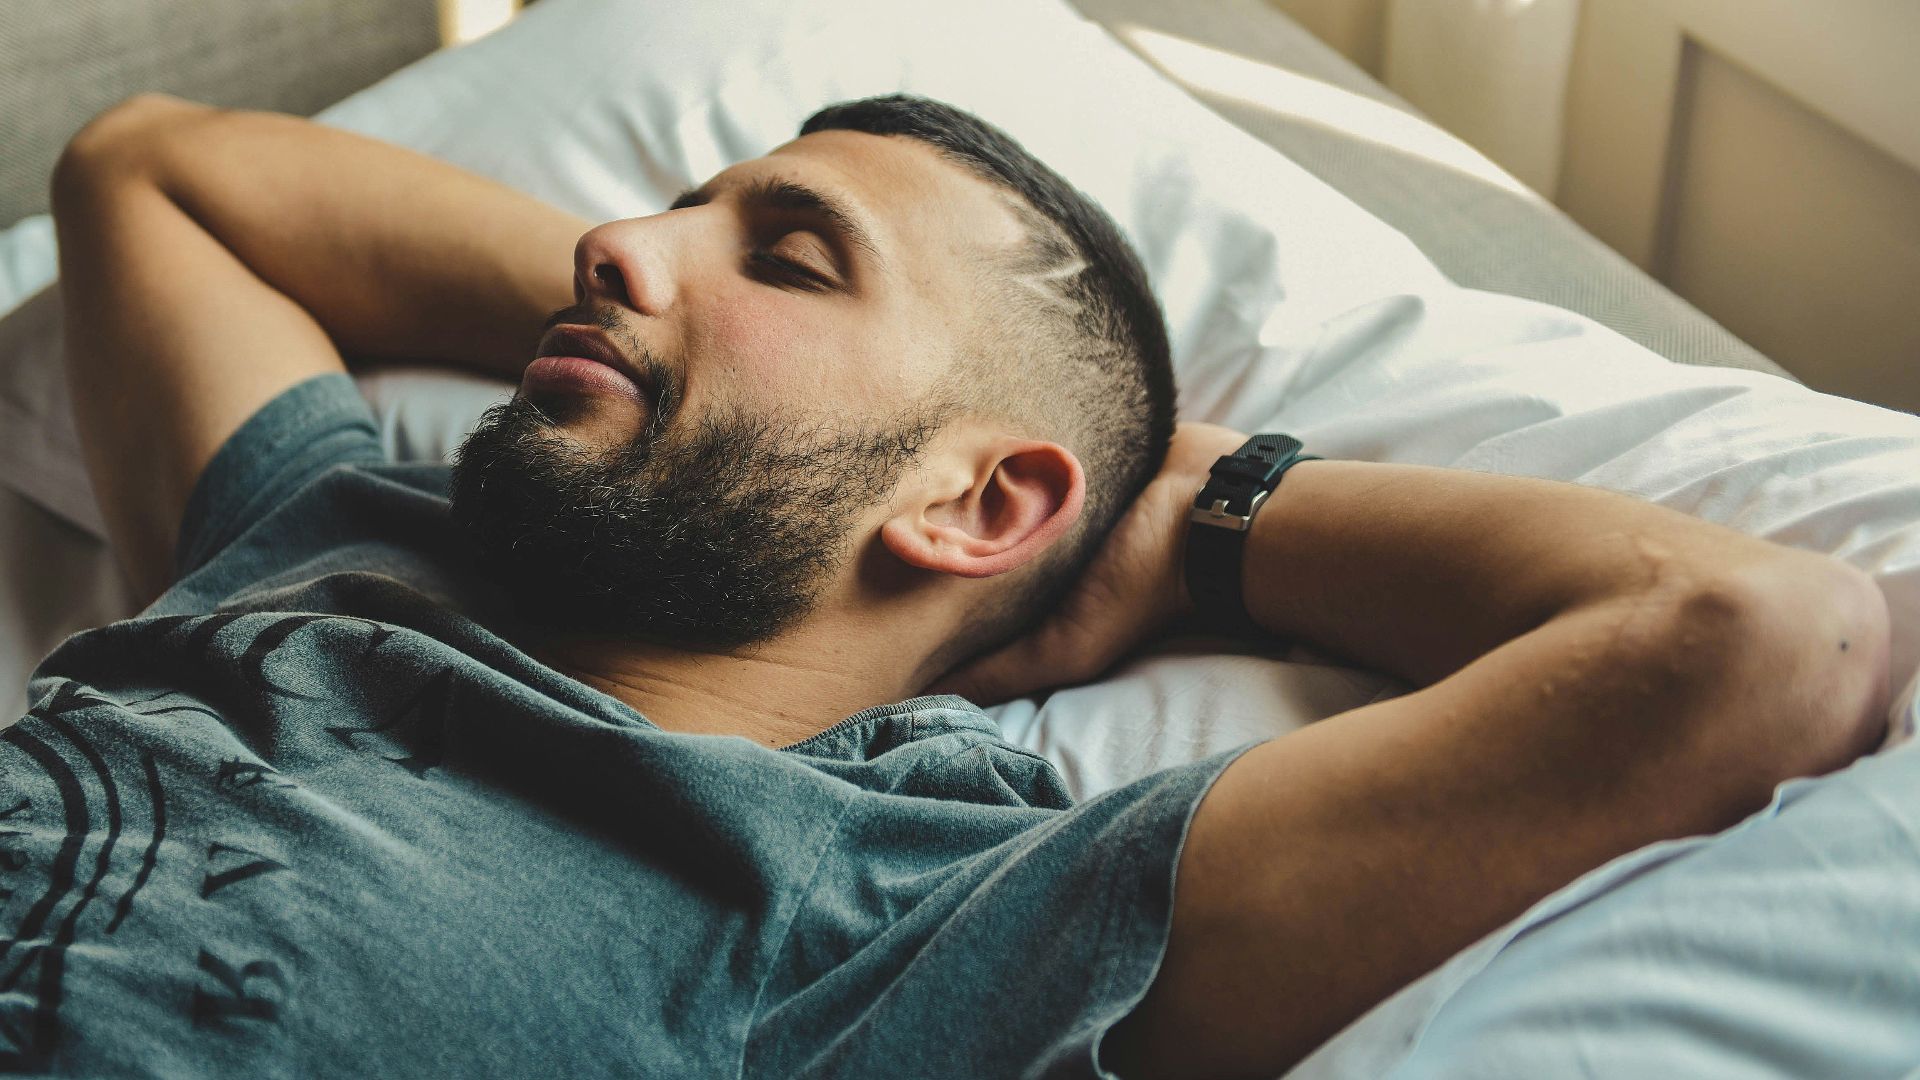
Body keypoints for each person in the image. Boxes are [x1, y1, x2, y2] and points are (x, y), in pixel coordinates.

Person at [22, 89, 1887, 1078]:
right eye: (677, 205)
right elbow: (154, 167)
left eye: (796, 256)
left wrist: (1191, 515)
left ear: (982, 500)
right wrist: (660, 323)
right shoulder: (344, 526)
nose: (615, 242)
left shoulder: (910, 914)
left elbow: (1754, 638)